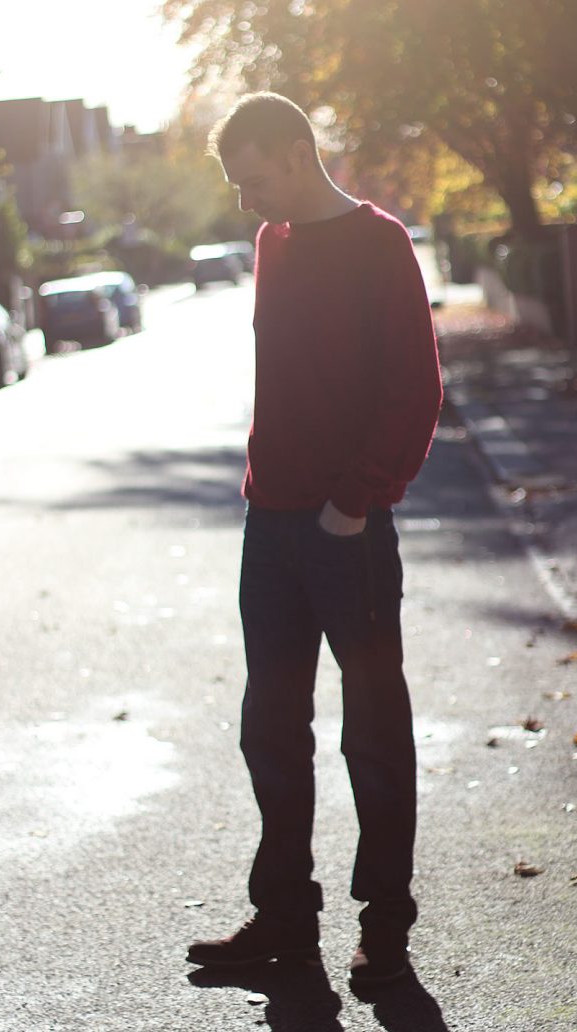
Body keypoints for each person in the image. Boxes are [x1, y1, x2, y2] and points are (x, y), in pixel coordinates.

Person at [186, 92, 442, 986]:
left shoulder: (380, 245)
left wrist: (356, 502)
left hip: (348, 531)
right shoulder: (271, 246)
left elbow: (414, 391)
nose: (247, 203)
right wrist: (274, 499)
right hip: (272, 528)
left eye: (254, 181)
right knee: (271, 727)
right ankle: (285, 917)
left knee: (372, 728)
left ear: (297, 154)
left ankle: (386, 925)